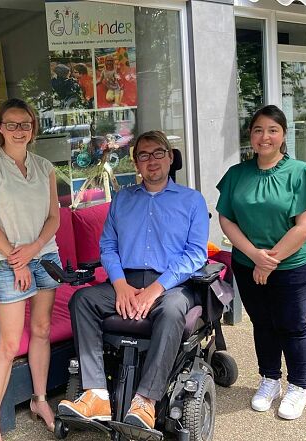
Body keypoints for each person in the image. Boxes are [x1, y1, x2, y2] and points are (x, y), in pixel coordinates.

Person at [58, 130, 209, 430]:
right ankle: (97, 393)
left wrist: (155, 290)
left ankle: (146, 402)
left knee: (171, 310)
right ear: (136, 164)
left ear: (169, 158)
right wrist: (120, 285)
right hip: (124, 283)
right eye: (143, 155)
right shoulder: (123, 199)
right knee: (82, 300)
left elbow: (195, 255)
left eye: (157, 154)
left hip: (171, 285)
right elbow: (108, 247)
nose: (151, 161)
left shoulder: (191, 200)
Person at [216, 104, 306, 420]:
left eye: (272, 130)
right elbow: (227, 219)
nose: (264, 136)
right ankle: (270, 379)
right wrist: (254, 256)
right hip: (247, 263)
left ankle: (298, 386)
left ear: (283, 135)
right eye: (258, 130)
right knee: (262, 323)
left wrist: (269, 261)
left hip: (295, 267)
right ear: (250, 135)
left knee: (292, 325)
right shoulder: (237, 174)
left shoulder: (301, 173)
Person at [0, 98, 61, 440]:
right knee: (9, 345)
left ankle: (39, 400)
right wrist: (16, 258)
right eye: (11, 124)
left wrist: (34, 250)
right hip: (9, 261)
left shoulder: (45, 166)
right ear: (0, 127)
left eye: (25, 124)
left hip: (46, 256)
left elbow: (54, 217)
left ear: (33, 128)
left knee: (41, 329)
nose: (19, 130)